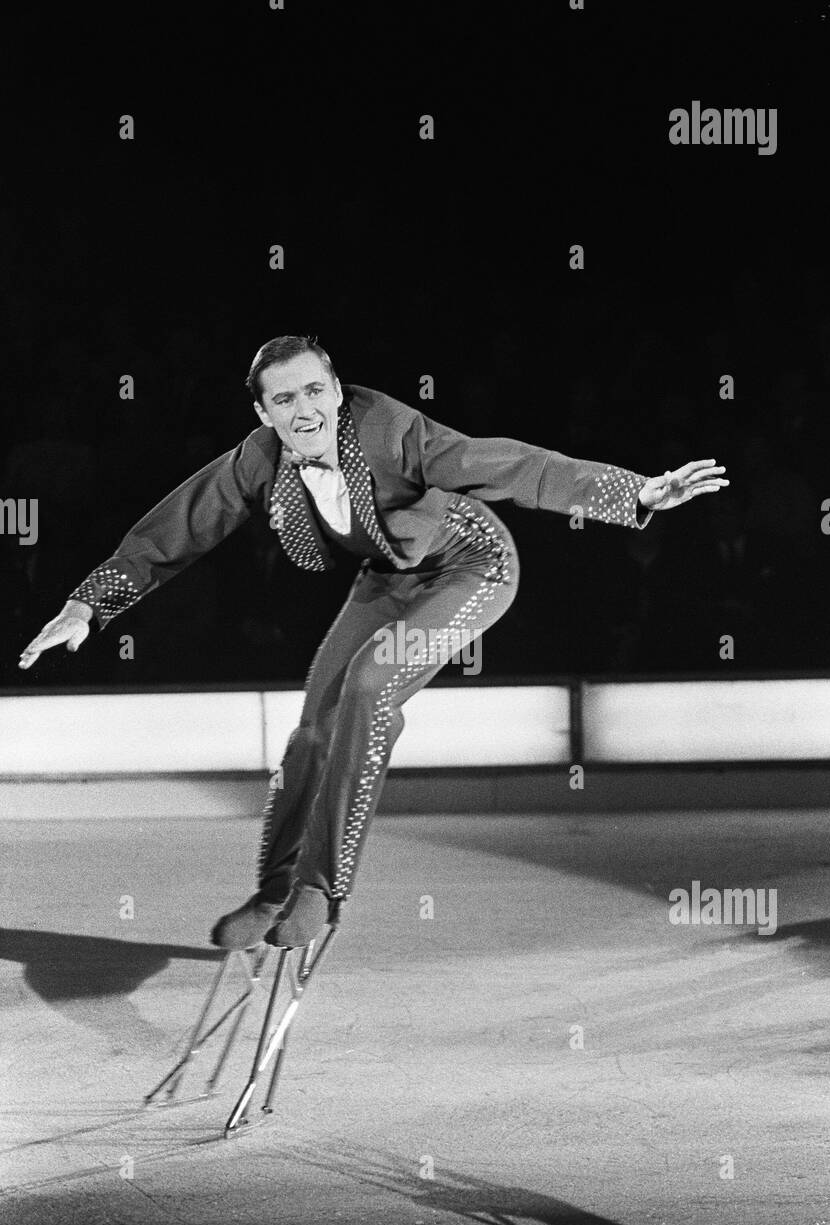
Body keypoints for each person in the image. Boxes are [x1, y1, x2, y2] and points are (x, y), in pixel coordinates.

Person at [18, 334, 728, 949]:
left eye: (316, 391)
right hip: (388, 574)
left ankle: (322, 891)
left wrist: (631, 493)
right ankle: (273, 891)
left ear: (335, 390)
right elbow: (180, 524)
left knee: (368, 687)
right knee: (312, 729)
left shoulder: (387, 430)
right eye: (285, 400)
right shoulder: (257, 459)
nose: (306, 411)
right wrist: (88, 604)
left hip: (472, 564)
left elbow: (505, 464)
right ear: (263, 414)